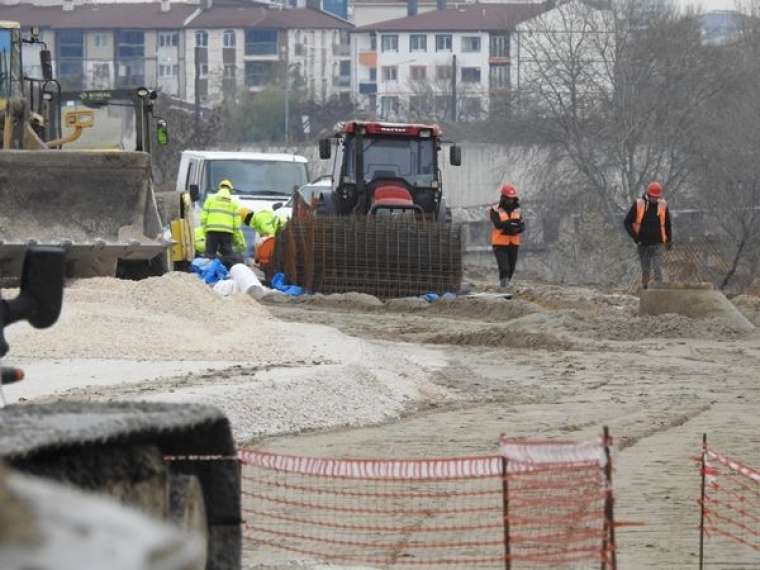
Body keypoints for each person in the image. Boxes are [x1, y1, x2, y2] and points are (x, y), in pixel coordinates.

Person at [624, 181, 673, 289]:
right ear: (648, 194)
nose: (655, 199)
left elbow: (667, 224)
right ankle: (646, 290)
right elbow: (627, 222)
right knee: (646, 270)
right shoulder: (638, 204)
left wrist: (669, 240)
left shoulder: (663, 205)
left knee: (657, 268)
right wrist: (636, 238)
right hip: (643, 244)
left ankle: (659, 291)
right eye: (653, 197)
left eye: (657, 197)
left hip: (658, 243)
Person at [489, 184, 525, 289]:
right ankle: (503, 286)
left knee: (512, 268)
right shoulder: (495, 210)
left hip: (514, 242)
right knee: (504, 267)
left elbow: (522, 225)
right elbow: (498, 224)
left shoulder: (517, 210)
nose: (511, 201)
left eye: (512, 199)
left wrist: (518, 228)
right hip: (499, 243)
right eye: (509, 199)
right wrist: (510, 223)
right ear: (503, 198)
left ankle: (505, 284)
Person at [200, 179, 240, 259]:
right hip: (227, 233)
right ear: (229, 189)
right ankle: (229, 269)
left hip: (212, 231)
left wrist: (205, 231)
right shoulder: (234, 202)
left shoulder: (210, 199)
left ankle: (208, 270)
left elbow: (203, 217)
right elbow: (237, 222)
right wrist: (235, 235)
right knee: (228, 254)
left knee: (209, 254)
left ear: (220, 188)